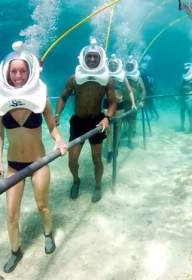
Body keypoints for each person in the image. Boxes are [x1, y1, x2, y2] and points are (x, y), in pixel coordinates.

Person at [0, 41, 66, 273]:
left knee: (42, 205)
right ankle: (15, 251)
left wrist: (60, 141)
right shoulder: (0, 101)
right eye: (13, 71)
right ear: (6, 72)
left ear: (30, 72)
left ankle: (47, 234)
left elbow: (53, 128)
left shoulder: (41, 98)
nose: (17, 75)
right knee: (11, 214)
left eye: (22, 70)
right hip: (14, 165)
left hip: (38, 162)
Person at [55, 38, 116, 203]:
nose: (92, 59)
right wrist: (57, 114)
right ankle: (76, 180)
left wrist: (107, 118)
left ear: (101, 58)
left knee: (97, 158)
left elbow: (113, 103)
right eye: (89, 56)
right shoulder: (74, 78)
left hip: (97, 121)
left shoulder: (108, 79)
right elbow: (63, 97)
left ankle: (97, 186)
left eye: (95, 56)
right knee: (72, 159)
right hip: (78, 122)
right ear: (83, 57)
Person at [105, 54, 136, 162]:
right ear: (108, 64)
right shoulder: (104, 75)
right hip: (107, 104)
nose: (113, 66)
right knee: (109, 129)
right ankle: (109, 150)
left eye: (114, 64)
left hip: (120, 104)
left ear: (117, 64)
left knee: (117, 128)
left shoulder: (122, 76)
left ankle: (115, 148)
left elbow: (129, 90)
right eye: (111, 64)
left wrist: (133, 103)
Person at [125, 55, 146, 148]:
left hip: (134, 104)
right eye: (128, 66)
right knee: (122, 121)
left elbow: (143, 90)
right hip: (123, 103)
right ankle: (125, 134)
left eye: (131, 66)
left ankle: (129, 140)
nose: (129, 68)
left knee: (132, 121)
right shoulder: (122, 76)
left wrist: (142, 100)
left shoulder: (138, 78)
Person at [180, 63, 192, 133]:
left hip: (189, 97)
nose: (185, 71)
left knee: (189, 112)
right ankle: (182, 126)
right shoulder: (184, 77)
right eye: (184, 69)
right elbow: (181, 86)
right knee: (182, 111)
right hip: (182, 96)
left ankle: (190, 128)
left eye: (186, 70)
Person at [140, 55, 159, 120]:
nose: (140, 70)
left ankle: (156, 116)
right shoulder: (144, 75)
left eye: (141, 69)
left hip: (149, 92)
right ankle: (153, 116)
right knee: (149, 105)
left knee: (151, 105)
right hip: (148, 92)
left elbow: (147, 85)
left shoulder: (144, 76)